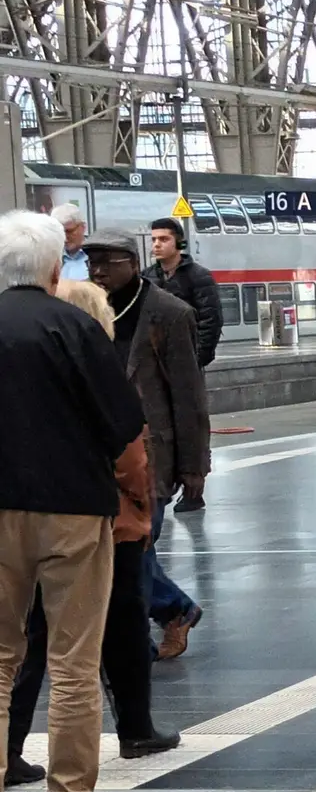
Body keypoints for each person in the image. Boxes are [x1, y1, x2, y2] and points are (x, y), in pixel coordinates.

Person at [0, 210, 146, 792]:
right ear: (56, 268)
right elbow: (123, 427)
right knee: (72, 662)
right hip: (74, 512)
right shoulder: (75, 328)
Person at [8, 279, 175, 783]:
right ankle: (84, 786)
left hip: (23, 512)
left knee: (26, 642)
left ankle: (11, 750)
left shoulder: (28, 361)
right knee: (101, 641)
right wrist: (145, 507)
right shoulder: (92, 362)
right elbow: (128, 451)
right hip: (99, 519)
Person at [85, 228, 210, 659]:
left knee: (134, 548)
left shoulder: (169, 314)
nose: (97, 271)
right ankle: (176, 609)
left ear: (133, 264)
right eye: (91, 263)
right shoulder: (84, 310)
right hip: (99, 453)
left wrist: (195, 467)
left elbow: (189, 395)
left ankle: (140, 636)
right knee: (123, 550)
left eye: (107, 262)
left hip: (152, 456)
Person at [146, 218, 222, 368]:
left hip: (187, 359)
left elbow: (210, 321)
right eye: (154, 239)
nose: (156, 244)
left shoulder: (199, 276)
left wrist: (197, 360)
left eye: (164, 239)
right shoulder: (146, 277)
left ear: (180, 243)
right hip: (154, 363)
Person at [52, 202, 90, 281]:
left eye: (69, 231)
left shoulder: (95, 256)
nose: (64, 237)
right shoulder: (50, 258)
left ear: (83, 227)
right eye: (60, 233)